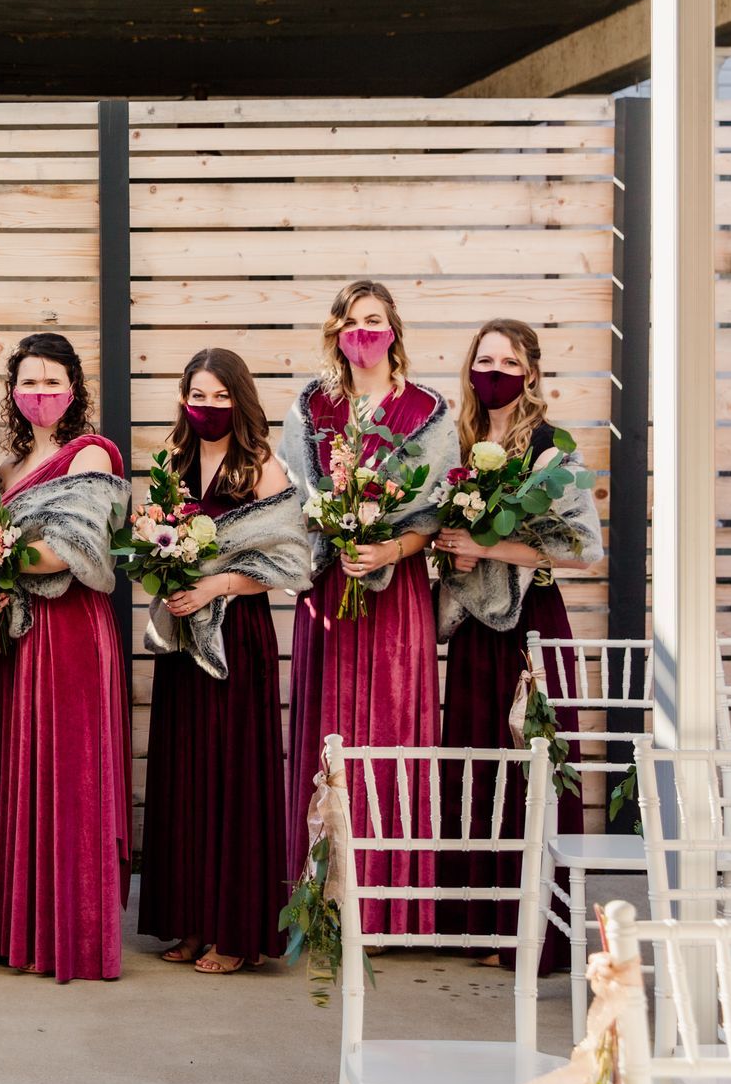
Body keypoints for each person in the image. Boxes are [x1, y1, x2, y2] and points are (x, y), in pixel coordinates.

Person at [280, 280, 458, 936]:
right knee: (329, 740)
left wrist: (392, 549)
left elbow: (438, 508)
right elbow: (292, 495)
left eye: (374, 320)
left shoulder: (428, 410)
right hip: (330, 589)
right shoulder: (312, 408)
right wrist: (329, 523)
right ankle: (322, 906)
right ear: (336, 332)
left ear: (394, 331)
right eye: (351, 321)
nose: (363, 331)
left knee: (388, 739)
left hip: (396, 594)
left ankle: (391, 906)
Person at [433, 319, 602, 970]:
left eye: (507, 361)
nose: (494, 371)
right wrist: (451, 552)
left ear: (530, 372)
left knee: (534, 764)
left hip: (533, 622)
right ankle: (481, 923)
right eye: (484, 360)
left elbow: (582, 546)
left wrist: (489, 545)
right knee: (478, 765)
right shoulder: (459, 442)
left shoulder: (552, 448)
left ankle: (538, 930)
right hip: (477, 626)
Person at [137, 348, 310, 975]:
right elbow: (153, 539)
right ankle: (188, 921)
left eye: (219, 396)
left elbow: (292, 563)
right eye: (197, 395)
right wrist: (161, 566)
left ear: (239, 399)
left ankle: (233, 933)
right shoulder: (173, 463)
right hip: (182, 642)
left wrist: (214, 586)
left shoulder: (260, 464)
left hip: (239, 637)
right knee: (185, 776)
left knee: (233, 777)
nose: (206, 407)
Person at [0, 333, 131, 982]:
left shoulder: (90, 454)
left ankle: (74, 935)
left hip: (72, 631)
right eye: (28, 383)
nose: (39, 394)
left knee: (72, 777)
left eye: (51, 382)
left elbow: (73, 549)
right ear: (12, 394)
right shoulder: (7, 471)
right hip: (21, 636)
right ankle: (23, 931)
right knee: (25, 769)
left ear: (73, 389)